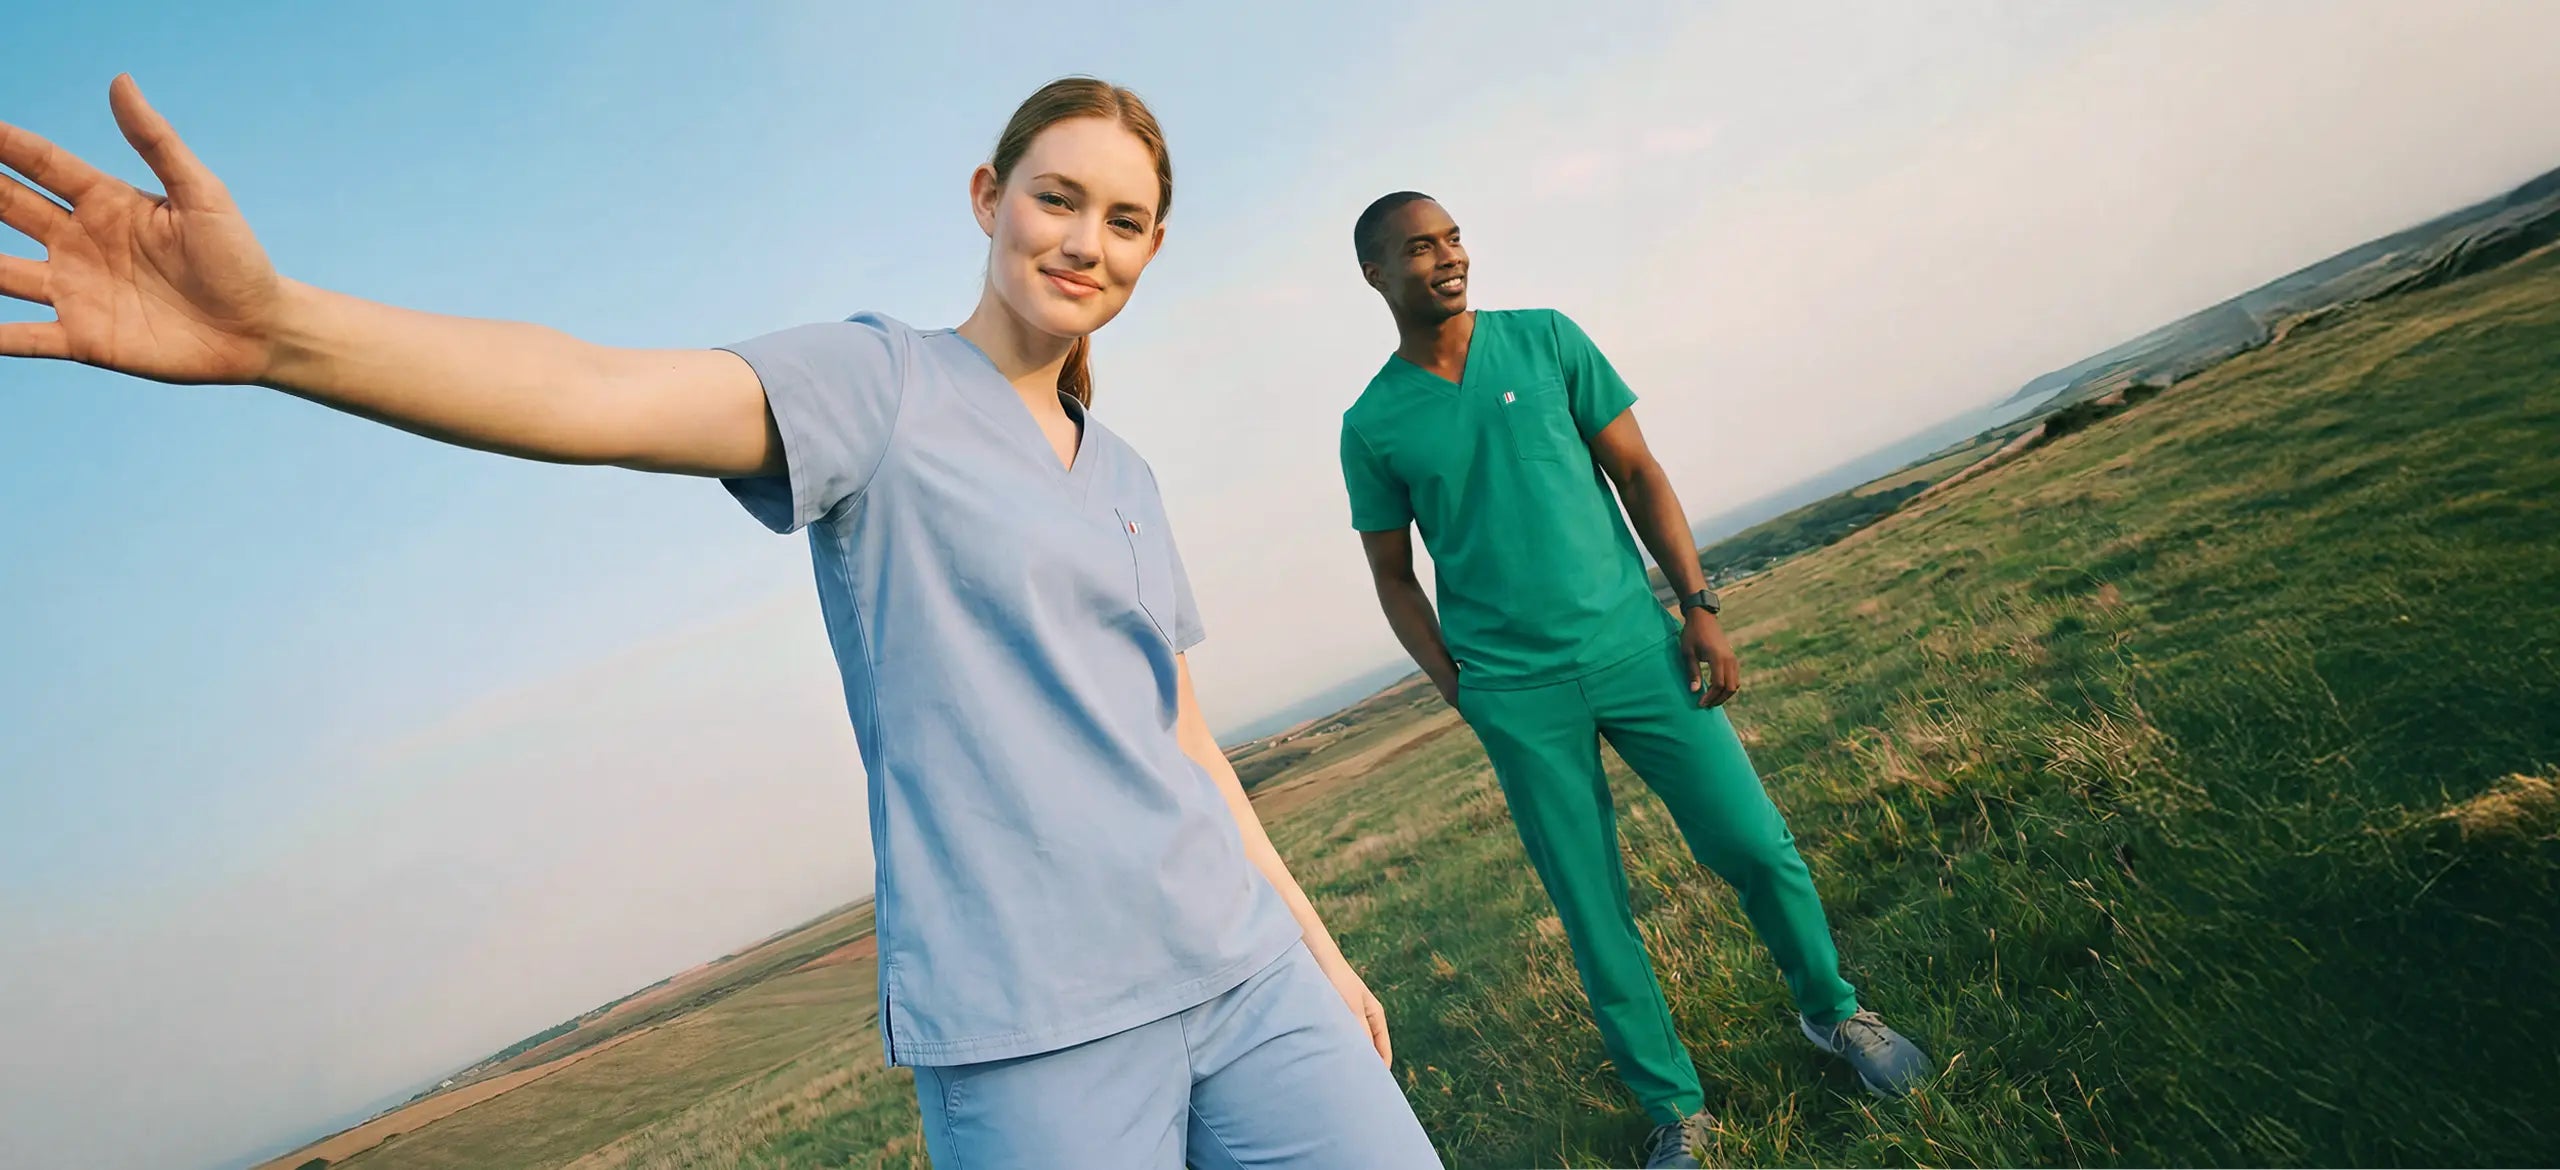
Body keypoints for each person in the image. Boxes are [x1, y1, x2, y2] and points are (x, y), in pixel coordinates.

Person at [0, 74, 1442, 1169]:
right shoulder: (876, 388)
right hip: (1037, 1031)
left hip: (1246, 972)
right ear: (988, 194)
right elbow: (591, 394)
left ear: (1155, 247)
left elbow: (1182, 736)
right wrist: (282, 335)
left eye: (1124, 220)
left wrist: (1317, 945)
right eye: (1056, 197)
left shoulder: (1125, 476)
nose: (1085, 241)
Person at [1336, 191, 1935, 1169]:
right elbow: (1394, 578)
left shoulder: (1546, 341)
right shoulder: (1372, 423)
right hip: (1516, 696)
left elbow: (1640, 473)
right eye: (1418, 247)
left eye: (1453, 238)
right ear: (1375, 274)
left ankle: (1834, 1015)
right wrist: (1463, 689)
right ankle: (1677, 1112)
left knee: (1754, 842)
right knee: (1591, 907)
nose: (1446, 257)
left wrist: (1698, 606)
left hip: (1637, 651)